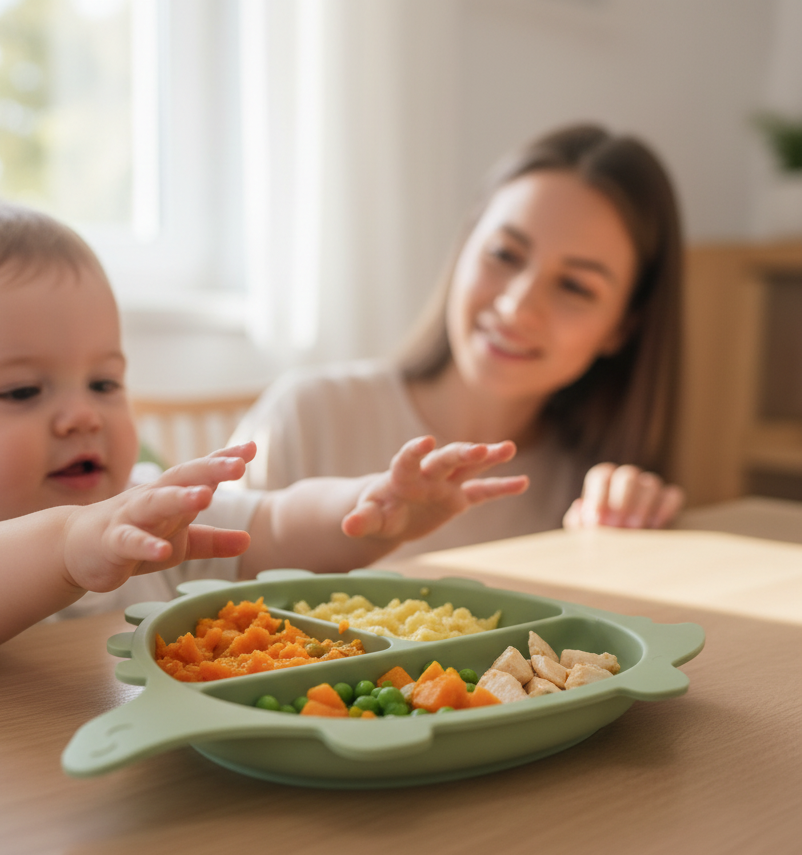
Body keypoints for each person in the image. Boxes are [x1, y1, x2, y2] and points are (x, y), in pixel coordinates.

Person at [0, 200, 529, 666]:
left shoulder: (140, 511)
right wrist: (68, 546)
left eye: (104, 382)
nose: (83, 415)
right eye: (21, 391)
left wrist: (373, 513)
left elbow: (274, 523)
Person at [231, 124, 686, 559]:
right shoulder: (309, 416)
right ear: (464, 246)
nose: (516, 307)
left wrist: (624, 555)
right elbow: (202, 590)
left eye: (575, 286)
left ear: (622, 328)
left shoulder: (591, 497)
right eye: (504, 254)